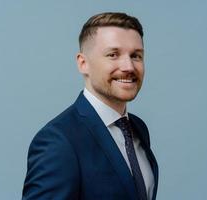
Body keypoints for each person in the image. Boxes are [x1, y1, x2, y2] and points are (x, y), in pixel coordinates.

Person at [22, 12, 159, 200]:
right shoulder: (59, 141)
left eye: (136, 56)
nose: (128, 66)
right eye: (113, 54)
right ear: (83, 63)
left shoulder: (138, 129)